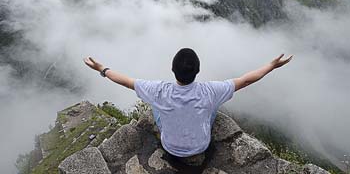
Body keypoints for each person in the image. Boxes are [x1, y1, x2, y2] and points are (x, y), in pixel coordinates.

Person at [84, 48, 292, 158]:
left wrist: (102, 69)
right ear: (198, 70)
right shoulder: (210, 91)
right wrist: (271, 66)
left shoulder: (159, 90)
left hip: (170, 147)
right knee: (213, 108)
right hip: (201, 146)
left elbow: (127, 82)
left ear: (172, 69)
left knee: (155, 105)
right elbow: (245, 80)